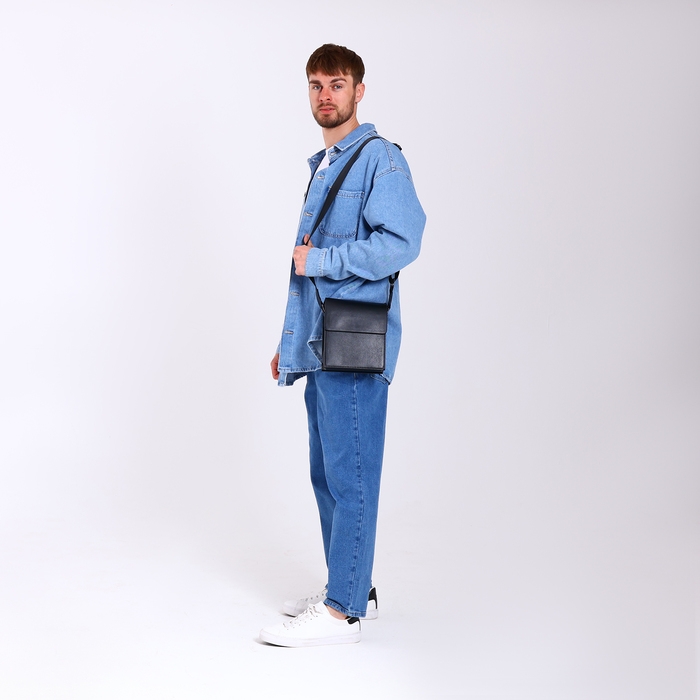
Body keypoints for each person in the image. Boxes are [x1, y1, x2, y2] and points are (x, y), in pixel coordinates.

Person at [259, 43, 426, 647]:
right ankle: (354, 588)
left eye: (336, 84)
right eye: (316, 85)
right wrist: (290, 343)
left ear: (359, 91)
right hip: (321, 343)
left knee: (350, 476)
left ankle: (341, 614)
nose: (325, 95)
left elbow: (402, 242)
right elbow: (305, 274)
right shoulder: (327, 164)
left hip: (354, 346)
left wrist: (323, 260)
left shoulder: (379, 159)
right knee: (328, 474)